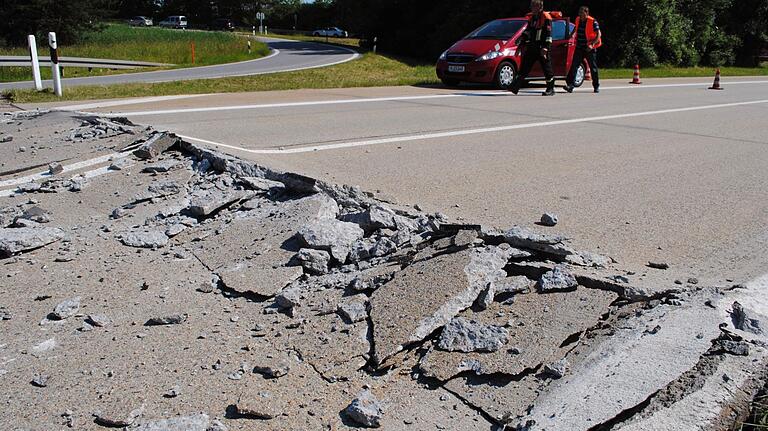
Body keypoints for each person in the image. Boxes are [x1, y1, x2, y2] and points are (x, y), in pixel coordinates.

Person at [510, 0, 556, 96]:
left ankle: (551, 88)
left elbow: (549, 34)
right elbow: (528, 31)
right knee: (524, 67)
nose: (532, 8)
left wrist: (546, 48)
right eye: (531, 6)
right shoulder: (532, 18)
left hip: (542, 47)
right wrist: (521, 42)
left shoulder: (546, 17)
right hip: (532, 46)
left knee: (547, 69)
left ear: (540, 7)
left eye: (534, 6)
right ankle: (515, 87)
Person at [565, 6, 602, 93]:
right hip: (579, 47)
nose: (580, 14)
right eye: (579, 12)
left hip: (589, 48)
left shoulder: (593, 21)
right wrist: (571, 35)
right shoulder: (578, 19)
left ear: (587, 13)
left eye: (582, 12)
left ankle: (596, 86)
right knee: (574, 66)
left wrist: (592, 44)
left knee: (593, 68)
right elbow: (575, 28)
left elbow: (599, 34)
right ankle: (570, 85)